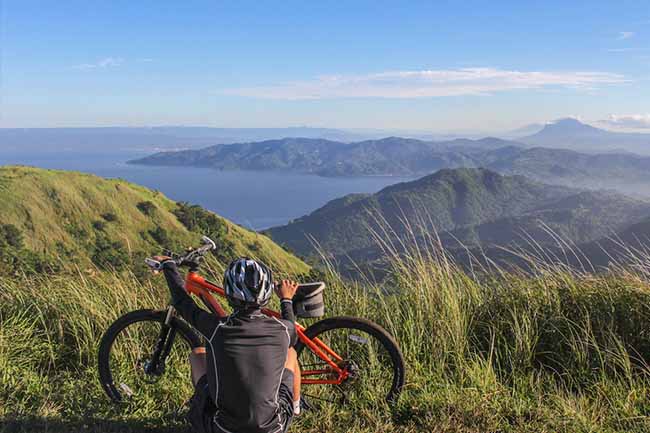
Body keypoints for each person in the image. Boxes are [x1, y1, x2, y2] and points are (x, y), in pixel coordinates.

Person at [155, 255, 301, 433]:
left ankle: (204, 406)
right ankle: (295, 408)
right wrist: (286, 299)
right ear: (267, 293)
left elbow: (182, 300)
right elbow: (292, 331)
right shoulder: (284, 329)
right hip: (273, 428)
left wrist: (169, 265)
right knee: (291, 353)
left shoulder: (216, 328)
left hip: (223, 429)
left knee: (198, 354)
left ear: (229, 293)